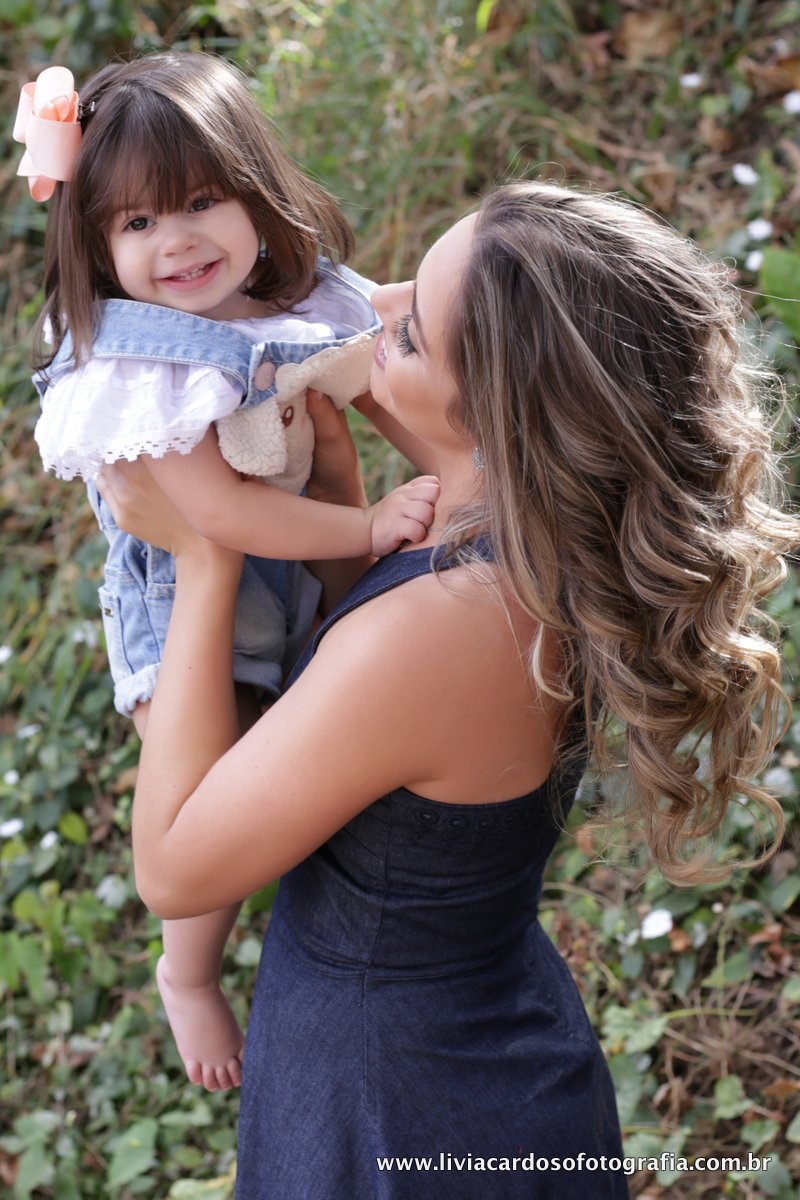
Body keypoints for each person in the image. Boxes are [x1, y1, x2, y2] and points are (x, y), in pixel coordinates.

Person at [97, 180, 798, 1199]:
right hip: (486, 1049)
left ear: (500, 412)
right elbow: (385, 729)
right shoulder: (546, 536)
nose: (370, 312)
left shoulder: (448, 627)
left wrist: (205, 555)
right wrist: (338, 493)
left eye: (411, 333)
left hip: (396, 1105)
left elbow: (171, 869)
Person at [17, 51, 438, 1092]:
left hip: (285, 576)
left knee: (303, 755)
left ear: (255, 192)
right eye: (137, 222)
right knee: (213, 797)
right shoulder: (138, 366)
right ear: (97, 243)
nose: (178, 241)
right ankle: (188, 973)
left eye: (202, 201)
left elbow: (380, 358)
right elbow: (216, 516)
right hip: (180, 614)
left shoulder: (287, 303)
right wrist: (367, 523)